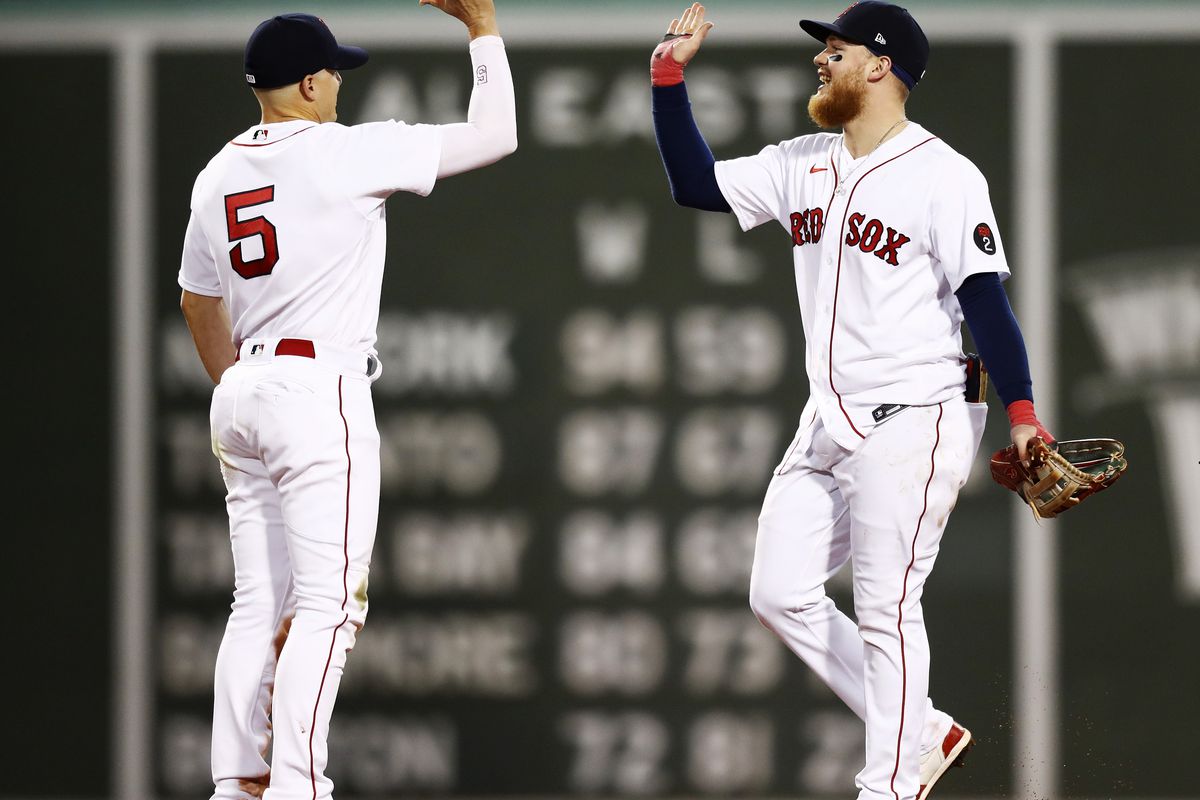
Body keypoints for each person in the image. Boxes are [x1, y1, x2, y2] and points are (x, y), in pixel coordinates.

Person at [649, 3, 1052, 799]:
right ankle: (923, 729)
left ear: (879, 66)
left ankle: (888, 787)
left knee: (885, 608)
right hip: (830, 418)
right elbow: (695, 186)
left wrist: (1023, 411)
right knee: (777, 591)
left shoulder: (945, 173)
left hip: (917, 415)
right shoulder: (803, 159)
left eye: (834, 51)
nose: (820, 62)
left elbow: (986, 304)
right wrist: (668, 76)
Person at [177, 3, 516, 798]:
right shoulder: (345, 151)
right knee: (330, 605)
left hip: (245, 386)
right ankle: (297, 785)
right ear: (306, 81)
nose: (338, 82)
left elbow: (197, 302)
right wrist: (483, 29)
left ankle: (237, 781)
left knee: (256, 600)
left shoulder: (215, 173)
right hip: (315, 388)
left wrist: (238, 387)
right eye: (333, 71)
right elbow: (495, 133)